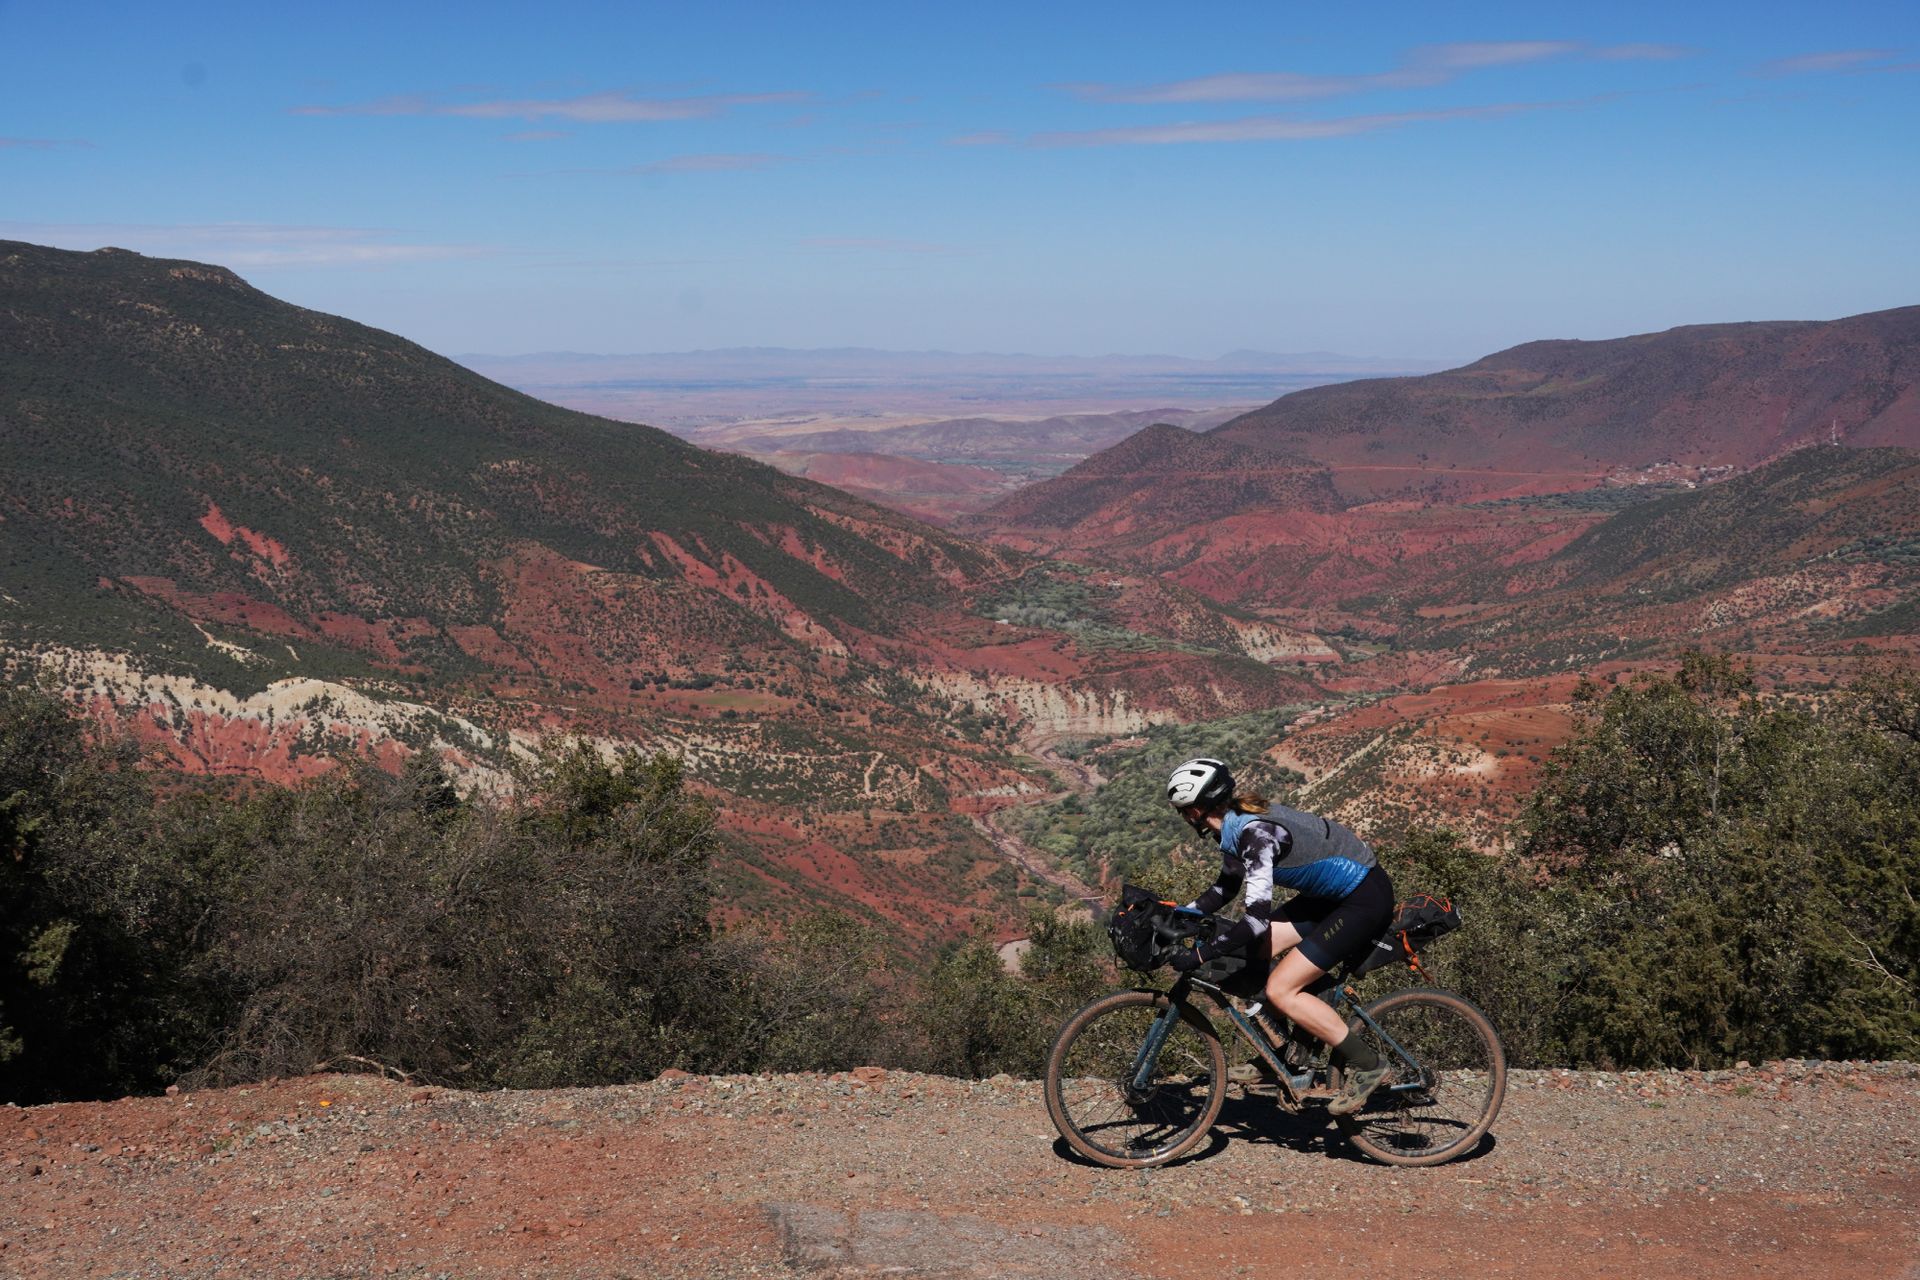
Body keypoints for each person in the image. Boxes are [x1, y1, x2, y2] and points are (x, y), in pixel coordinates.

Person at [1161, 756, 1394, 1116]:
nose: (1183, 818)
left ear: (1196, 810)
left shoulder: (1256, 835)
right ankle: (1287, 1052)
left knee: (1280, 989)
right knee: (1255, 954)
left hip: (1361, 899)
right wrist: (1179, 915)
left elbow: (1253, 921)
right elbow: (1224, 890)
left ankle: (1369, 1065)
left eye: (1184, 811)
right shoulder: (1235, 824)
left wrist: (1200, 955)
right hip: (1329, 899)